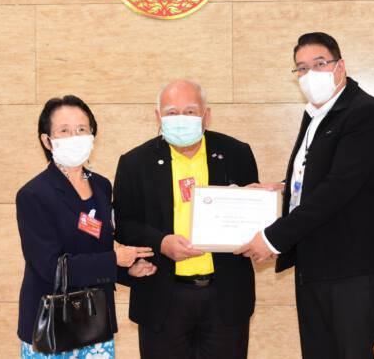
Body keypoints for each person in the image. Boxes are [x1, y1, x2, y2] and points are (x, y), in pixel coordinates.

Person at [236, 32, 374, 359]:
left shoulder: (364, 111)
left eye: (319, 64)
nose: (310, 74)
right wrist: (282, 186)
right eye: (302, 68)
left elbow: (339, 187)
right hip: (315, 261)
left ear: (340, 66)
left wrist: (273, 238)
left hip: (351, 265)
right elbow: (320, 171)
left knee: (351, 352)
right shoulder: (316, 113)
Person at [113, 79, 259, 359]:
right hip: (162, 296)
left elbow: (251, 215)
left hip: (225, 295)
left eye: (190, 111)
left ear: (206, 115)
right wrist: (161, 242)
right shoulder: (134, 162)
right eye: (171, 112)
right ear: (158, 117)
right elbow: (123, 224)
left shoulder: (236, 153)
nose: (181, 119)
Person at [16, 95, 156, 359]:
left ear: (92, 135)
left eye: (82, 129)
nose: (75, 137)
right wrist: (115, 259)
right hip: (51, 327)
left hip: (95, 323)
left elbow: (96, 248)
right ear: (47, 140)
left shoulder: (101, 186)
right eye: (64, 131)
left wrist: (126, 270)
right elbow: (50, 267)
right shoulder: (34, 195)